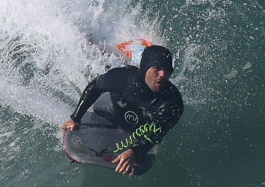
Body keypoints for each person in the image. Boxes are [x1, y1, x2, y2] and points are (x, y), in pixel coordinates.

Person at [60, 45, 183, 175]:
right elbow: (95, 86)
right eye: (157, 68)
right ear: (146, 68)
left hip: (137, 130)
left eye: (167, 70)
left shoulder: (172, 103)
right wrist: (75, 118)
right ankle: (107, 49)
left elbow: (157, 132)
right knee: (107, 65)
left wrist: (135, 152)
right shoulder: (123, 77)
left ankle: (139, 52)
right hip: (111, 109)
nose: (163, 74)